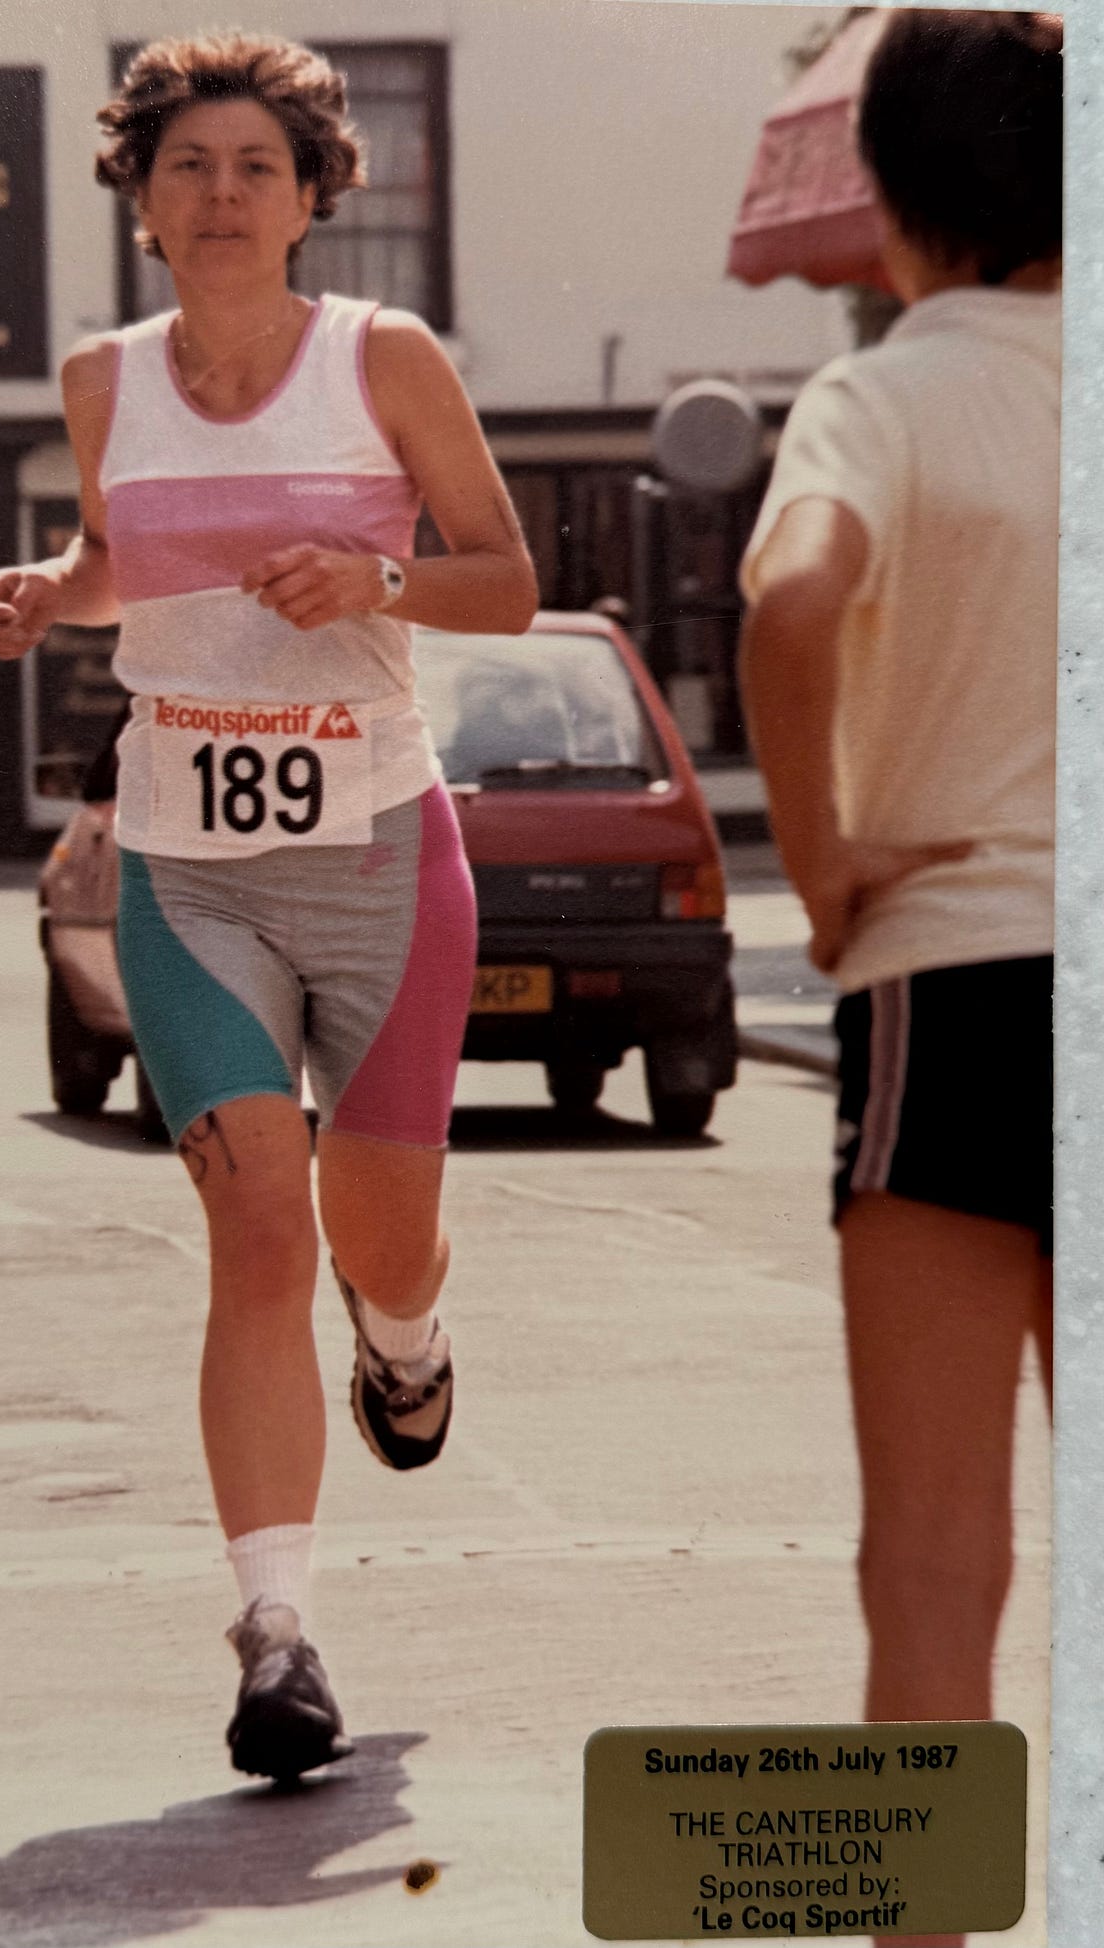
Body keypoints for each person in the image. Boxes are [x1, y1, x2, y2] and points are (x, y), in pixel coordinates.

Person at [0, 31, 537, 1783]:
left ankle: (410, 1338)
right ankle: (275, 1636)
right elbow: (125, 560)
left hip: (377, 851)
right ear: (142, 198)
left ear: (311, 206)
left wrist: (377, 578)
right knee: (257, 1237)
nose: (222, 194)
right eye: (189, 166)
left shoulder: (386, 359)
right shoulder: (101, 376)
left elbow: (508, 583)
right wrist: (42, 592)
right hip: (182, 861)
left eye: (257, 170)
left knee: (375, 1240)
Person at [739, 15, 1059, 1944]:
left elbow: (791, 606)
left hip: (958, 976)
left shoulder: (887, 391)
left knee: (936, 1565)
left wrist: (830, 866)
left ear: (893, 189)